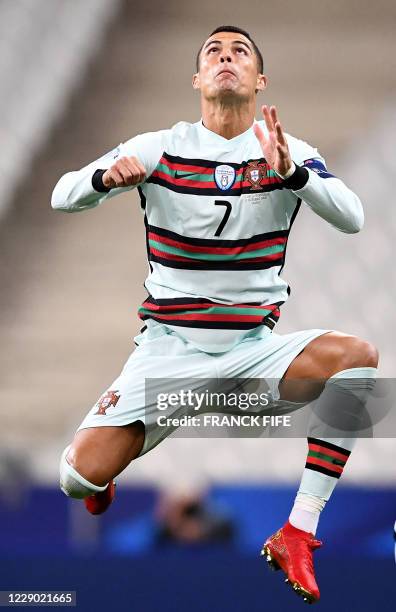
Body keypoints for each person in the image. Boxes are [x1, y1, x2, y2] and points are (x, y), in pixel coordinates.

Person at [51, 25, 378, 604]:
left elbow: (352, 217)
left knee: (358, 361)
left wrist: (295, 177)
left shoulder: (287, 149)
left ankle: (298, 531)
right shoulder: (157, 146)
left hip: (250, 350)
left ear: (259, 80)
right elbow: (62, 193)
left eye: (240, 52)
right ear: (199, 80)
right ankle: (106, 477)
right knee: (77, 479)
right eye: (213, 52)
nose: (226, 58)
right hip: (169, 350)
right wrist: (104, 180)